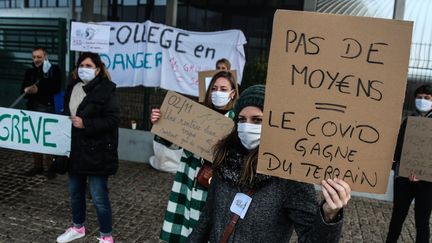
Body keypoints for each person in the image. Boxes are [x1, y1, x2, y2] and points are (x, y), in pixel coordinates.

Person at [188, 85, 351, 243]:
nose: (247, 126)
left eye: (257, 120)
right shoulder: (224, 161)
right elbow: (207, 218)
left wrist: (329, 216)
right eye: (242, 119)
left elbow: (311, 238)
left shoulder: (289, 177)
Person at [152, 71, 239, 242]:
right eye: (214, 88)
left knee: (208, 230)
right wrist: (160, 122)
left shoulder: (236, 122)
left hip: (215, 187)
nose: (218, 92)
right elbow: (174, 142)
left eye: (223, 88)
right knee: (184, 229)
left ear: (232, 93)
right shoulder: (197, 115)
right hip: (188, 181)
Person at [56, 52, 119, 243]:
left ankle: (106, 236)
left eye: (89, 66)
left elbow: (113, 120)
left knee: (99, 197)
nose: (84, 69)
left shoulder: (107, 90)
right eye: (81, 65)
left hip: (98, 152)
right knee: (75, 192)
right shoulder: (73, 88)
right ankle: (77, 227)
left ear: (98, 69)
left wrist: (87, 124)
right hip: (75, 150)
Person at [386, 84, 432, 243]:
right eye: (419, 97)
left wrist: (422, 172)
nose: (422, 100)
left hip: (427, 182)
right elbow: (399, 147)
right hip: (404, 179)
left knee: (422, 221)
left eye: (427, 98)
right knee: (397, 218)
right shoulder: (408, 120)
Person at [21, 46, 62, 178]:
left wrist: (38, 89)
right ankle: (37, 166)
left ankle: (50, 167)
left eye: (39, 57)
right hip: (33, 107)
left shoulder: (54, 70)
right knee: (34, 137)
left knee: (47, 138)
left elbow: (55, 87)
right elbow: (22, 89)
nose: (36, 59)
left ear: (45, 57)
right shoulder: (30, 71)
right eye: (34, 57)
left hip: (48, 107)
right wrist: (27, 90)